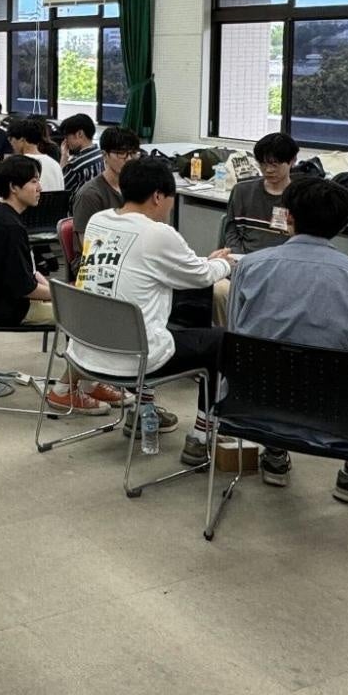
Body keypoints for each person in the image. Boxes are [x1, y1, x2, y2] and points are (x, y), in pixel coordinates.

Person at [225, 178, 348, 499]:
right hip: (340, 417)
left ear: (288, 216)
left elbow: (234, 339)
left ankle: (274, 455)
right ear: (343, 225)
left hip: (252, 405)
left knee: (265, 360)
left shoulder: (249, 266)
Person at [69, 156, 235, 465]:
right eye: (170, 200)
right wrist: (224, 263)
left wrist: (204, 264)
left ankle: (142, 412)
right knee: (221, 341)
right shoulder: (158, 233)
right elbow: (200, 276)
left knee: (154, 317)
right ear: (158, 196)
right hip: (132, 359)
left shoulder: (98, 220)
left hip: (86, 350)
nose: (169, 208)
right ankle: (201, 437)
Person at [209, 131, 298, 325]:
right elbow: (232, 232)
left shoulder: (299, 197)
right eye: (263, 164)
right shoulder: (242, 191)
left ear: (292, 161)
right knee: (218, 289)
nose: (268, 170)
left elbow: (300, 244)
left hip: (281, 270)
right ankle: (231, 336)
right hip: (244, 266)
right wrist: (243, 263)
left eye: (275, 164)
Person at [0, 155, 58, 329]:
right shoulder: (9, 228)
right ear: (13, 187)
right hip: (12, 309)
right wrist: (60, 296)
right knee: (80, 314)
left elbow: (29, 272)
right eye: (33, 182)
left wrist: (53, 290)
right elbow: (25, 288)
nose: (40, 188)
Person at [69, 125, 141, 245]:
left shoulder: (137, 187)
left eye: (133, 153)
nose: (129, 159)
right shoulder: (90, 195)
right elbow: (88, 245)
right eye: (121, 153)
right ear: (104, 155)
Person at [9, 117, 64, 192]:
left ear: (22, 140)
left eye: (11, 139)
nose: (11, 144)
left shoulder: (17, 165)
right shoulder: (55, 165)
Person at [59, 115, 102, 193]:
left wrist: (64, 157)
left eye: (67, 137)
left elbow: (59, 186)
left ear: (80, 134)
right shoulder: (102, 155)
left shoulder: (75, 165)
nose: (65, 141)